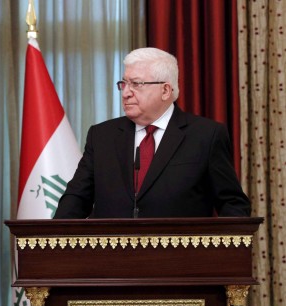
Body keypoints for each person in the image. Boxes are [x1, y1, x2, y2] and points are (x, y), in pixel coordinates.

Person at [54, 47, 250, 219]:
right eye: (123, 84)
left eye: (136, 84)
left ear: (165, 90)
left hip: (181, 258)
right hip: (111, 257)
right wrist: (50, 241)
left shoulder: (206, 136)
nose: (125, 93)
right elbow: (76, 199)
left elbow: (233, 204)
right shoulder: (102, 136)